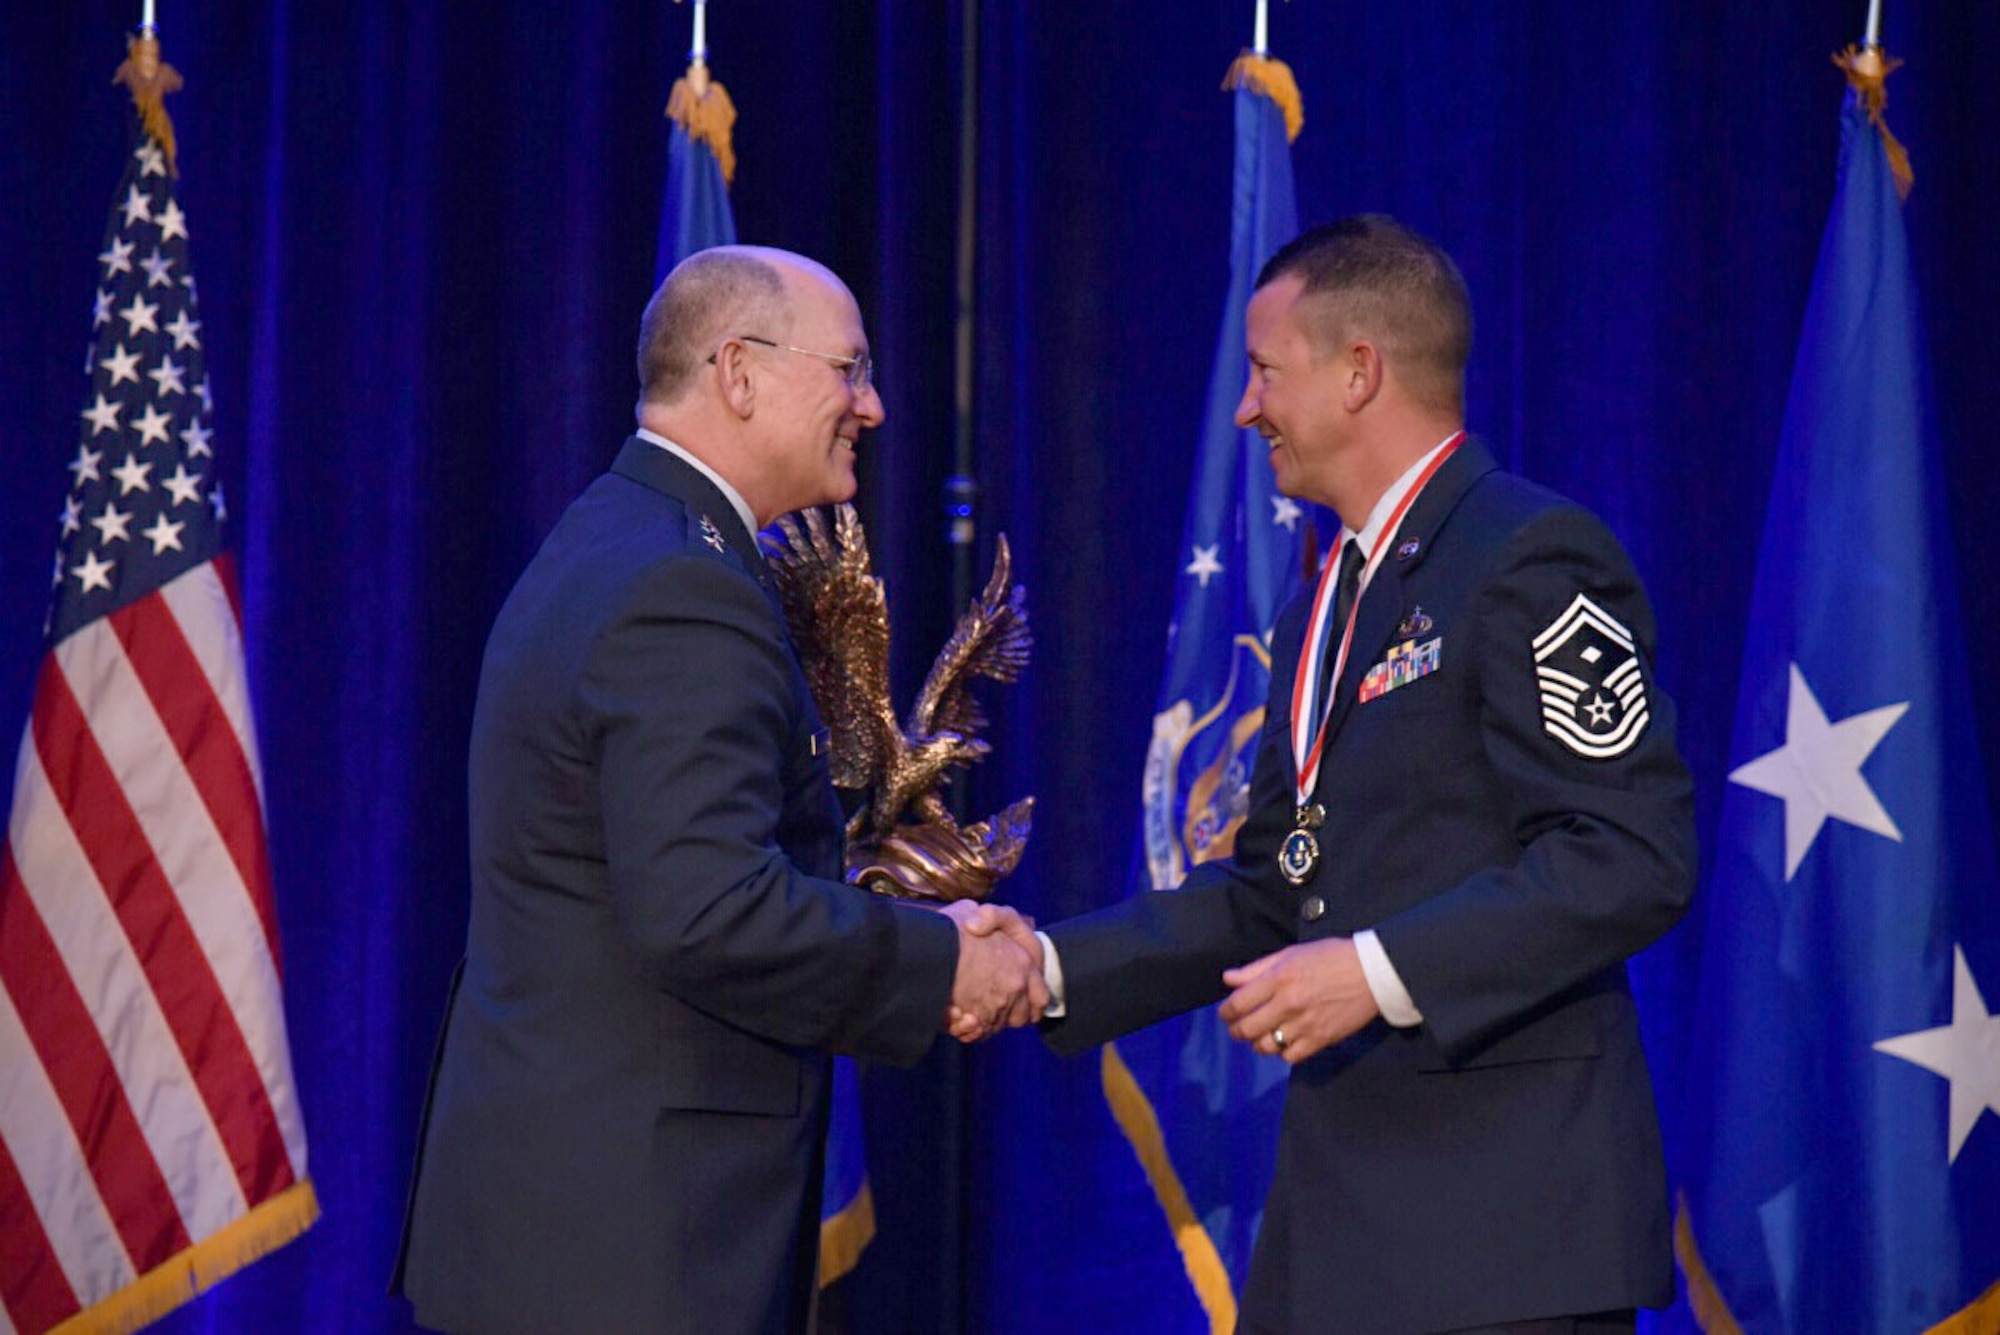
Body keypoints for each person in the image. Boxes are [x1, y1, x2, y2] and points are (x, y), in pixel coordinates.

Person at [1016, 216, 1697, 1333]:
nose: (1246, 408)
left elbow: (1626, 852)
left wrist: (1374, 971)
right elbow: (1270, 890)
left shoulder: (1527, 553)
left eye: (1263, 372)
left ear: (1358, 373)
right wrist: (1042, 969)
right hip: (1344, 1237)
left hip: (1503, 1242)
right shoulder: (1322, 608)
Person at [394, 246, 1046, 1335]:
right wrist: (946, 961)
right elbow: (704, 911)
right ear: (738, 373)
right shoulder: (677, 585)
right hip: (626, 1255)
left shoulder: (619, 535)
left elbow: (666, 878)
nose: (874, 406)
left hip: (576, 1229)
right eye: (849, 369)